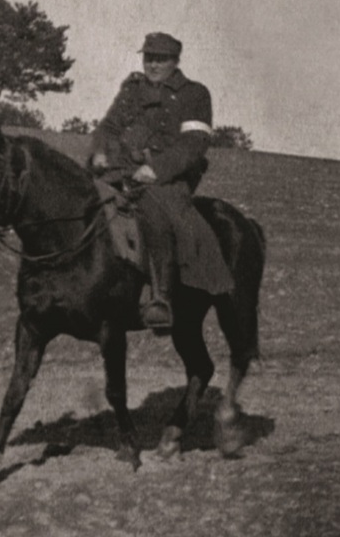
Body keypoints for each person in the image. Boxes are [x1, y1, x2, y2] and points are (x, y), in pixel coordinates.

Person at [89, 32, 233, 329]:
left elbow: (194, 143)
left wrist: (156, 169)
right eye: (148, 58)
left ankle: (160, 298)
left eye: (160, 59)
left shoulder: (194, 94)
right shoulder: (132, 89)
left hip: (165, 180)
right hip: (119, 171)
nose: (152, 65)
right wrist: (100, 152)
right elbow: (109, 126)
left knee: (154, 214)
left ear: (175, 61)